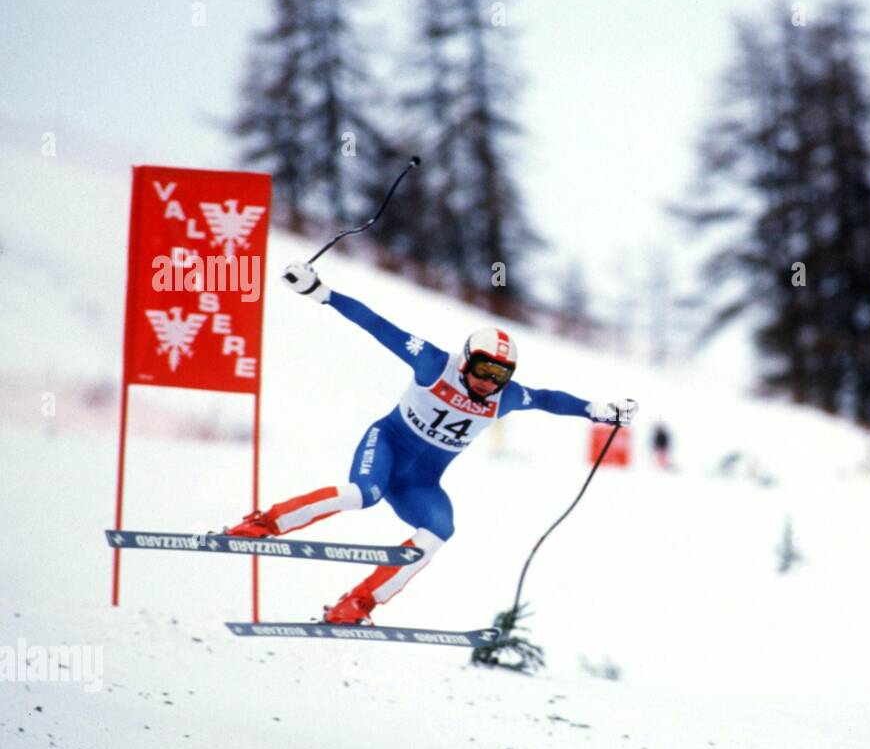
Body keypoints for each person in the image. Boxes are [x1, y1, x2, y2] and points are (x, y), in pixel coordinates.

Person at [223, 262, 638, 625]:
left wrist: (597, 410)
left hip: (421, 481)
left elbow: (548, 399)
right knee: (360, 495)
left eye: (499, 375)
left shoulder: (505, 398)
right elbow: (379, 326)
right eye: (482, 369)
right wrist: (321, 293)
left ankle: (357, 603)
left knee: (440, 530)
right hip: (387, 444)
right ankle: (264, 523)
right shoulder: (433, 364)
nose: (487, 382)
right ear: (465, 359)